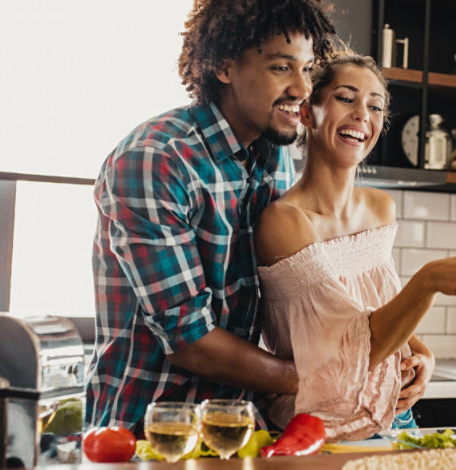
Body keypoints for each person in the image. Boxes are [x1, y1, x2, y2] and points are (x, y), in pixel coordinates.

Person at [85, 0, 338, 434]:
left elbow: (309, 281)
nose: (302, 89)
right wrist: (318, 380)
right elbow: (190, 342)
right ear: (223, 66)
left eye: (308, 69)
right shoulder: (156, 160)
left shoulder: (274, 158)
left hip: (238, 429)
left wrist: (405, 346)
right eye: (282, 68)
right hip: (147, 433)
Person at [255, 52, 456, 441]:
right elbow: (345, 358)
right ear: (308, 113)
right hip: (317, 431)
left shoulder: (381, 209)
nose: (363, 114)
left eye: (375, 106)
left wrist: (422, 353)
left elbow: (377, 311)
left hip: (392, 418)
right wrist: (427, 282)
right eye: (346, 98)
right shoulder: (284, 222)